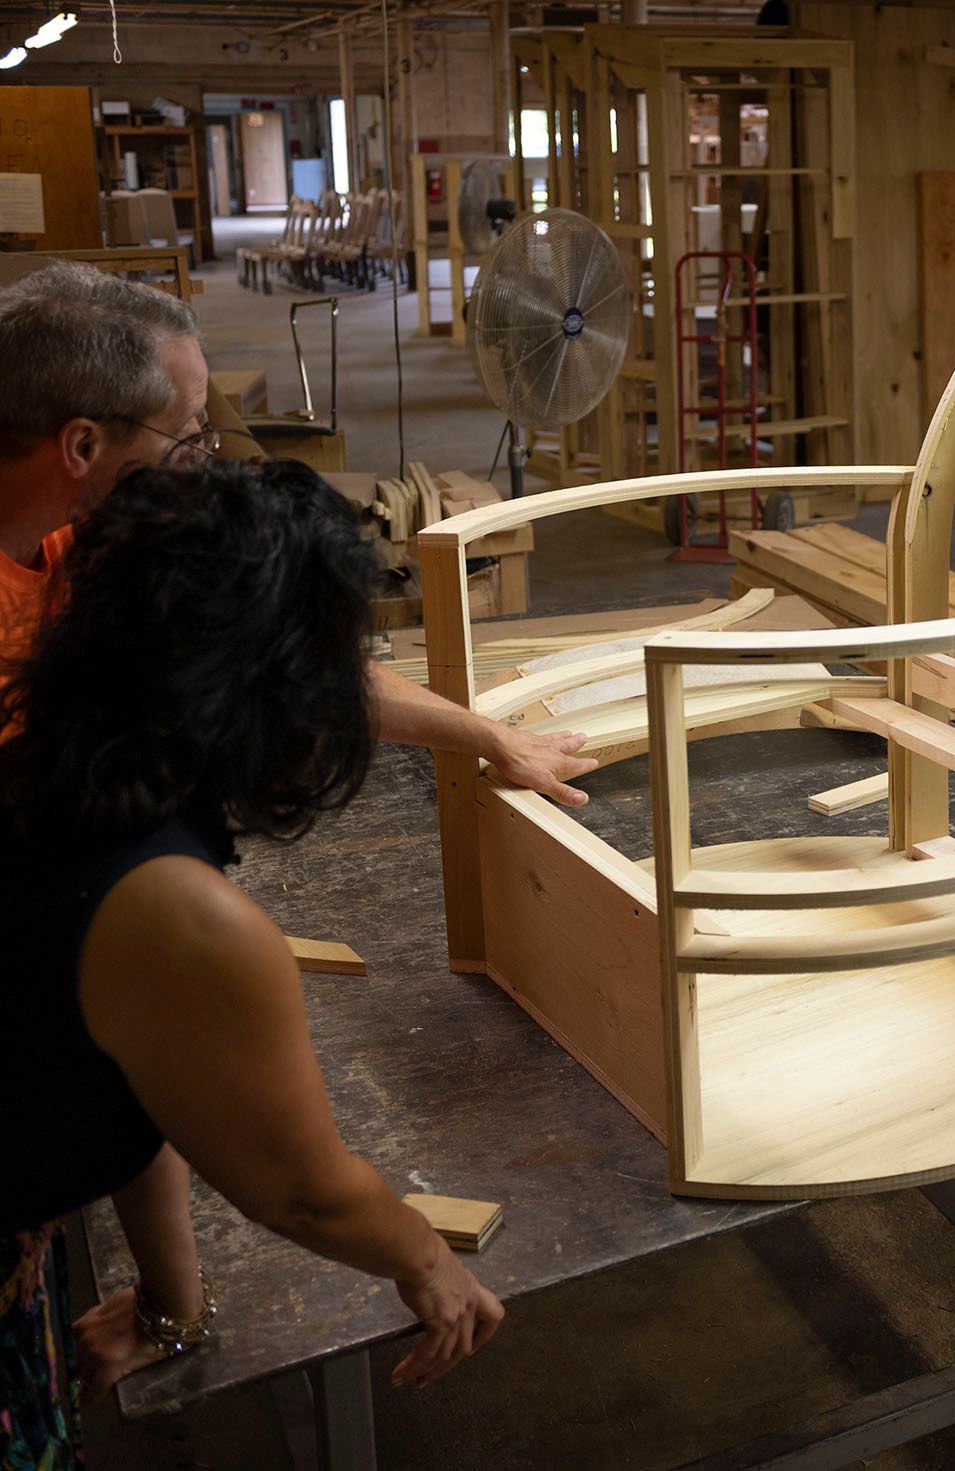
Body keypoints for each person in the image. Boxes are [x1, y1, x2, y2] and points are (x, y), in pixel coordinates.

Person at [0, 460, 509, 1467]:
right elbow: (302, 1190)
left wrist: (173, 1307)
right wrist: (423, 1261)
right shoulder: (181, 916)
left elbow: (140, 1090)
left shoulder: (60, 768)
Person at [0, 260, 596, 805]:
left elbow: (288, 653)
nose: (205, 459)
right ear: (82, 446)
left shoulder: (90, 531)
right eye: (186, 435)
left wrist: (490, 737)